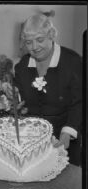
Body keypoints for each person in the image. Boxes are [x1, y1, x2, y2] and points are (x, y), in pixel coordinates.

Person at [14, 11, 82, 166]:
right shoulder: (22, 66)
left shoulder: (73, 61)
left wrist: (67, 132)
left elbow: (80, 102)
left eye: (39, 40)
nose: (34, 47)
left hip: (66, 136)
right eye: (29, 42)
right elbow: (20, 102)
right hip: (32, 140)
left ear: (52, 35)